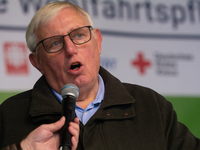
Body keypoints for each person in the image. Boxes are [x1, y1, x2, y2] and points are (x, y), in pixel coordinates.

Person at [0, 1, 199, 150]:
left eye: (78, 35)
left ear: (98, 42)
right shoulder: (8, 116)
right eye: (55, 43)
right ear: (37, 62)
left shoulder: (152, 106)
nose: (70, 49)